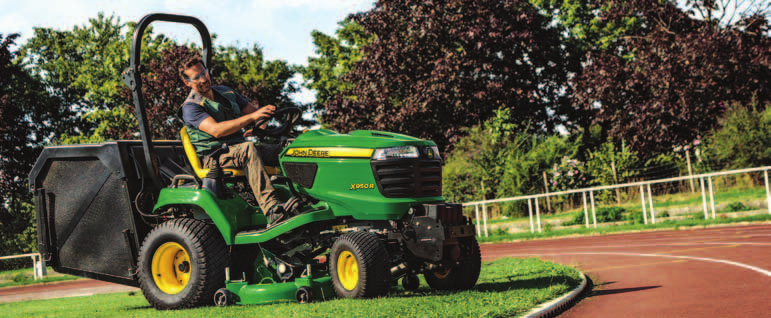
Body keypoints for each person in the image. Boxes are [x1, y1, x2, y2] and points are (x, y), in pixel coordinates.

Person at [178, 56, 290, 225]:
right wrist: (252, 117)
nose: (203, 79)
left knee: (288, 149)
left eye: (204, 72)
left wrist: (260, 124)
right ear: (187, 83)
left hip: (239, 148)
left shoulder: (226, 92)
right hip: (215, 155)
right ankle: (273, 209)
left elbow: (255, 114)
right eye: (196, 77)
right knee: (248, 149)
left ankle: (305, 198)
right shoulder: (191, 107)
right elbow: (217, 130)